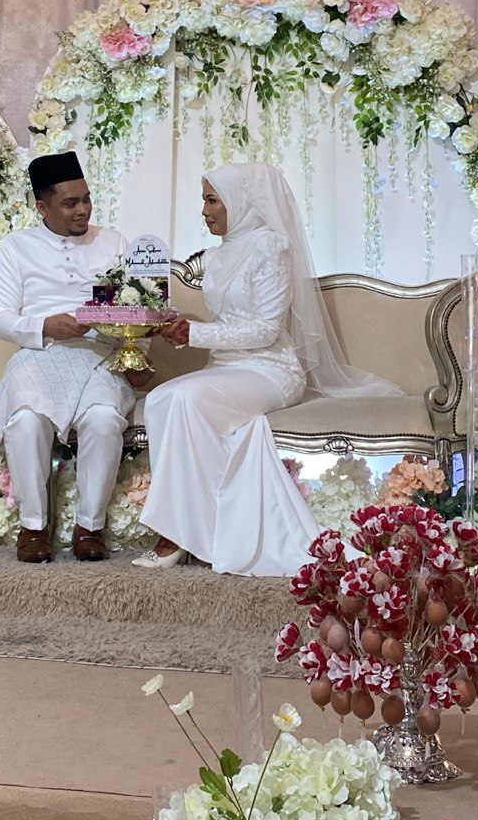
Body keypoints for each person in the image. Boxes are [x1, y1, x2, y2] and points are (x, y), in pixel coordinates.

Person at [133, 162, 399, 577]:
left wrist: (195, 334)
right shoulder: (217, 255)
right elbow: (226, 321)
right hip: (225, 369)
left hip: (270, 370)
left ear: (239, 201)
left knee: (183, 398)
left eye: (212, 200)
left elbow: (266, 329)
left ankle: (178, 536)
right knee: (161, 399)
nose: (204, 211)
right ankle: (197, 526)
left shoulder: (272, 247)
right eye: (204, 200)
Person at [0, 151, 148, 564]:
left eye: (87, 199)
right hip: (41, 352)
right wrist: (45, 325)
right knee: (25, 421)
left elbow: (137, 308)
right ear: (42, 207)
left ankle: (89, 527)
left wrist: (136, 357)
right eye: (70, 203)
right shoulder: (17, 246)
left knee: (103, 420)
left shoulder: (113, 242)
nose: (83, 210)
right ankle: (33, 526)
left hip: (100, 355)